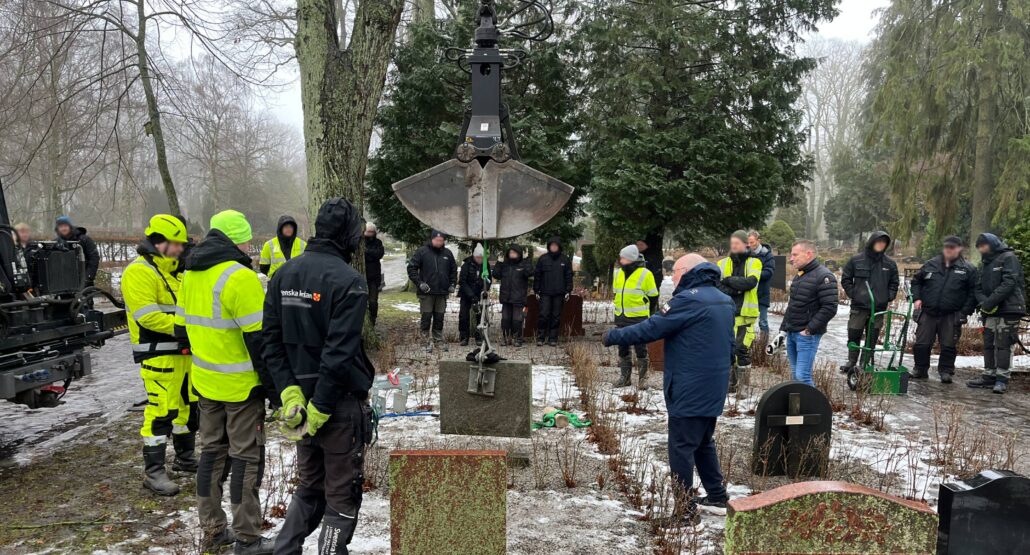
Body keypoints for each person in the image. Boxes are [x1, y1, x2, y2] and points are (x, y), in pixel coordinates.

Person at [262, 197, 375, 555]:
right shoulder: (349, 282)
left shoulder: (284, 275)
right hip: (336, 405)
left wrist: (290, 393)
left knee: (310, 486)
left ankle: (285, 550)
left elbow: (271, 345)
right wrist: (315, 403)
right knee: (342, 492)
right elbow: (338, 354)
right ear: (349, 236)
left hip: (304, 401)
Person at [602, 254, 735, 521]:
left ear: (687, 271)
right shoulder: (722, 298)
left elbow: (652, 328)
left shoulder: (688, 300)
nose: (672, 277)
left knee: (681, 447)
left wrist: (612, 336)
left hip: (690, 385)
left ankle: (685, 512)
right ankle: (717, 496)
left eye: (674, 272)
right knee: (702, 441)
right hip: (713, 383)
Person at [175, 210, 276, 554]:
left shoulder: (190, 272)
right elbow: (260, 342)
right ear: (238, 239)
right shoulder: (240, 277)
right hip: (242, 388)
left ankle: (213, 530)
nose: (250, 245)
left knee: (211, 456)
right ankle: (247, 538)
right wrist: (274, 390)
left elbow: (180, 329)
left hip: (205, 383)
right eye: (247, 239)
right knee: (246, 459)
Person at [121, 215, 197, 496]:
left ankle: (185, 459)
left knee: (186, 408)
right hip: (158, 356)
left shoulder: (173, 272)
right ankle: (153, 473)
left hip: (182, 353)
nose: (180, 249)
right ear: (159, 243)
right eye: (176, 244)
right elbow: (148, 317)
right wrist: (186, 329)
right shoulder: (139, 272)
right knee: (161, 411)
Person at [910, 236, 978, 384]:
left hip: (951, 314)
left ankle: (946, 371)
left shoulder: (968, 269)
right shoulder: (930, 264)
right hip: (928, 312)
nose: (949, 250)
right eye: (947, 247)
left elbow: (973, 293)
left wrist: (964, 312)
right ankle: (920, 369)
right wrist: (917, 298)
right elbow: (916, 282)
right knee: (922, 343)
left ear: (960, 249)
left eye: (953, 247)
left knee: (948, 344)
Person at [968, 233, 1027, 394]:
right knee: (989, 343)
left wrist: (990, 302)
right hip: (990, 311)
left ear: (992, 243)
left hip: (1009, 309)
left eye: (984, 245)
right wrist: (984, 303)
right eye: (979, 246)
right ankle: (989, 375)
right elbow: (978, 287)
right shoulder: (984, 263)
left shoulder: (1008, 258)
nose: (982, 249)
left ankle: (1001, 378)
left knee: (1003, 344)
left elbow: (1009, 282)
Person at [776, 240, 839, 385]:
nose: (791, 258)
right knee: (795, 376)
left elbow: (829, 307)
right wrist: (783, 330)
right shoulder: (800, 276)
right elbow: (793, 306)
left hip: (806, 335)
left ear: (808, 254)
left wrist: (809, 330)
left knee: (802, 376)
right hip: (792, 332)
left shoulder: (824, 276)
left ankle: (816, 408)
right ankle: (800, 407)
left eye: (795, 255)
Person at [840, 231, 899, 374]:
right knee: (854, 333)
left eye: (883, 243)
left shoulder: (889, 264)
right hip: (859, 307)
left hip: (878, 308)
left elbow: (894, 283)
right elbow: (846, 279)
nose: (880, 244)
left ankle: (864, 362)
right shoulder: (856, 260)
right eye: (878, 241)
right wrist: (854, 293)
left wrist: (888, 296)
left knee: (872, 336)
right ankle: (852, 361)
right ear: (872, 242)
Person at [717, 230, 763, 392]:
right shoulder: (722, 264)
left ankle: (743, 386)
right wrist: (735, 290)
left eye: (737, 243)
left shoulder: (754, 262)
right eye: (732, 243)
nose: (734, 245)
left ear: (746, 244)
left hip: (745, 315)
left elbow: (750, 282)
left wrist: (729, 281)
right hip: (726, 313)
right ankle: (731, 384)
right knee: (727, 350)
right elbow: (717, 285)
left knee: (741, 349)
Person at [611, 244, 659, 389]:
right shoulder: (618, 273)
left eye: (623, 257)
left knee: (641, 349)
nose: (621, 260)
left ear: (631, 259)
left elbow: (653, 297)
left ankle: (642, 380)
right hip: (621, 316)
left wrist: (649, 314)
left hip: (639, 318)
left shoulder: (646, 274)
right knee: (623, 349)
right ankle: (625, 378)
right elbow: (616, 293)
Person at [407, 230, 457, 353]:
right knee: (426, 317)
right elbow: (411, 268)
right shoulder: (422, 252)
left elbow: (453, 271)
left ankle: (438, 341)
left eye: (441, 241)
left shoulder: (448, 254)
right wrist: (420, 283)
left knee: (439, 317)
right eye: (437, 240)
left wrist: (452, 284)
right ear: (432, 239)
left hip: (442, 292)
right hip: (427, 292)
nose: (439, 242)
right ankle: (424, 342)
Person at [534, 236, 573, 346]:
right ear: (549, 247)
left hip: (559, 293)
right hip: (545, 292)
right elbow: (538, 275)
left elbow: (569, 276)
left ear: (559, 247)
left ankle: (553, 338)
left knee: (556, 316)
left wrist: (568, 290)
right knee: (543, 315)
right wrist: (536, 289)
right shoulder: (543, 259)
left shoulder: (565, 260)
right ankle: (540, 337)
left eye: (555, 245)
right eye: (552, 245)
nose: (553, 247)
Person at [492, 244, 531, 346]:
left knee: (517, 320)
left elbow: (529, 272)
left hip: (518, 298)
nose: (512, 254)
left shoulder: (523, 264)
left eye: (514, 253)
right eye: (510, 253)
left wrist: (527, 260)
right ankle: (505, 338)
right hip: (506, 297)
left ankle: (518, 339)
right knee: (505, 320)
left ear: (518, 254)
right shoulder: (505, 264)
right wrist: (499, 263)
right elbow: (496, 274)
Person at [54, 215, 100, 287]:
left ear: (70, 226)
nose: (63, 228)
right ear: (57, 228)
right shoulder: (55, 242)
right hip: (64, 283)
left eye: (65, 226)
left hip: (83, 280)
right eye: (61, 226)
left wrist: (88, 277)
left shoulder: (84, 239)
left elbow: (94, 258)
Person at [457, 244, 489, 346]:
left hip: (480, 294)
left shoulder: (485, 265)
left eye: (481, 257)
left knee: (480, 317)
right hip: (466, 294)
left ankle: (479, 336)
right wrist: (471, 295)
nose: (479, 259)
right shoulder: (466, 265)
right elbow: (462, 281)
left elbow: (488, 280)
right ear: (474, 256)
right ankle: (464, 337)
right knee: (463, 316)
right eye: (478, 257)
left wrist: (485, 290)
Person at [747, 230, 776, 338]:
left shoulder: (767, 255)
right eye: (748, 243)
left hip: (762, 293)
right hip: (749, 293)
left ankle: (764, 343)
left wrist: (753, 275)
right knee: (748, 321)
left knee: (763, 321)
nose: (749, 245)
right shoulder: (746, 254)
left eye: (752, 242)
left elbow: (769, 272)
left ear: (759, 241)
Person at [363, 223, 386, 326]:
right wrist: (371, 254)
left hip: (374, 277)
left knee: (373, 301)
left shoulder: (378, 242)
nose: (370, 234)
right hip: (362, 276)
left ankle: (372, 320)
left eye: (372, 232)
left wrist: (367, 252)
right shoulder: (361, 241)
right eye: (368, 231)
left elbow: (379, 254)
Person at [636, 238, 664, 314]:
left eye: (641, 245)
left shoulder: (653, 256)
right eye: (637, 245)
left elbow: (656, 274)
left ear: (647, 245)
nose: (639, 247)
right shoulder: (637, 257)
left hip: (652, 285)